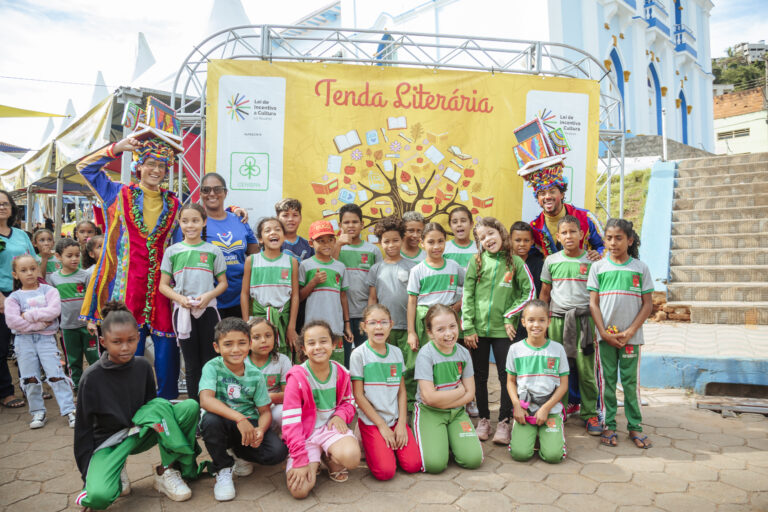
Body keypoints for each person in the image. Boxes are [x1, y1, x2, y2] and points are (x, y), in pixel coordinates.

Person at [78, 136, 183, 399]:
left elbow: (187, 237)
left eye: (161, 166)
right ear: (139, 166)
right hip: (124, 286)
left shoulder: (174, 204)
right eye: (150, 164)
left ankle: (167, 403)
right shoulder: (117, 193)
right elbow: (85, 168)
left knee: (166, 346)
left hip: (161, 286)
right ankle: (125, 403)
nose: (156, 170)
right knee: (125, 345)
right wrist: (118, 148)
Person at [74, 302, 200, 510]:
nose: (125, 347)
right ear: (103, 341)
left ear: (138, 338)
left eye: (131, 340)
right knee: (99, 497)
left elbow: (150, 408)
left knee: (189, 407)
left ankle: (166, 470)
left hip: (139, 431)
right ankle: (115, 470)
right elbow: (83, 431)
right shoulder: (91, 378)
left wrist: (158, 427)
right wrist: (87, 474)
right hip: (109, 443)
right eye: (117, 342)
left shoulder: (142, 366)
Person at [462, 217, 535, 445]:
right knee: (479, 376)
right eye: (482, 238)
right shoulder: (477, 262)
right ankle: (484, 419)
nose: (487, 239)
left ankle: (504, 422)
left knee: (506, 377)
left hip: (505, 332)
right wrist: (469, 327)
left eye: (490, 234)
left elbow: (529, 292)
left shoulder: (515, 262)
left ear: (500, 233)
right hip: (478, 332)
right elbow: (468, 295)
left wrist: (509, 316)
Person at [199, 317, 288, 501]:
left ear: (248, 345)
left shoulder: (255, 375)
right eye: (228, 344)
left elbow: (264, 412)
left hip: (249, 422)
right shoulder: (212, 367)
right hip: (224, 420)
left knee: (278, 452)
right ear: (217, 347)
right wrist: (239, 418)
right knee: (209, 420)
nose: (235, 349)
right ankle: (222, 469)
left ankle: (237, 452)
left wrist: (260, 431)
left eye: (241, 343)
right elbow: (205, 400)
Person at [588, 218, 653, 449]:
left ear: (630, 240)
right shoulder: (598, 268)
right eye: (609, 238)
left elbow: (647, 305)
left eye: (619, 238)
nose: (613, 243)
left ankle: (635, 426)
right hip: (605, 338)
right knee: (606, 382)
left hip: (630, 339)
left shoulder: (640, 268)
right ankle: (609, 425)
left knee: (630, 383)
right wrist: (603, 333)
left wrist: (630, 331)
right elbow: (593, 304)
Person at [283, 320, 360, 498]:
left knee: (352, 457)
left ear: (334, 344)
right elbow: (291, 423)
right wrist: (300, 459)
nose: (318, 347)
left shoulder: (341, 372)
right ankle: (313, 458)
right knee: (299, 491)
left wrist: (341, 415)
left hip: (330, 430)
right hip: (305, 435)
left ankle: (328, 457)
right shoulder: (297, 377)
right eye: (311, 343)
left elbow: (349, 402)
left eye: (323, 341)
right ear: (303, 348)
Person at [539, 215, 602, 436]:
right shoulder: (552, 261)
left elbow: (597, 296)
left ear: (582, 234)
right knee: (557, 368)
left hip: (585, 322)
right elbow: (545, 294)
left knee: (585, 370)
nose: (568, 236)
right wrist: (541, 321)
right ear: (557, 236)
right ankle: (559, 408)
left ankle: (590, 412)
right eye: (564, 232)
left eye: (572, 231)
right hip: (557, 321)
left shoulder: (592, 261)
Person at [159, 203, 228, 402]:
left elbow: (223, 283)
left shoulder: (213, 251)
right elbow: (163, 286)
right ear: (179, 223)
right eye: (186, 221)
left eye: (196, 220)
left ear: (204, 222)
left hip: (208, 312)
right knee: (191, 364)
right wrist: (181, 299)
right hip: (183, 313)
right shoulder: (172, 251)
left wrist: (207, 297)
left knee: (210, 361)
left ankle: (210, 407)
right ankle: (194, 409)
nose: (191, 225)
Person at [350, 304, 422, 480]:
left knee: (413, 465)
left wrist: (402, 424)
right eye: (373, 322)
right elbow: (358, 396)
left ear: (391, 324)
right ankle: (368, 441)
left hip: (395, 419)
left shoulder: (397, 353)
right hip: (373, 421)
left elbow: (402, 391)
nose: (379, 327)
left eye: (383, 322)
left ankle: (387, 447)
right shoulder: (359, 355)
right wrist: (382, 426)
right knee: (385, 472)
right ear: (364, 326)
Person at [176, 172, 259, 319]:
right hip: (206, 300)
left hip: (239, 298)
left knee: (236, 340)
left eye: (217, 189)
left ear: (225, 193)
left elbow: (255, 255)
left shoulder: (240, 220)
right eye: (206, 190)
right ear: (201, 193)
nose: (212, 194)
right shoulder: (193, 224)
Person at [5, 254, 75, 428]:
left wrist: (28, 316)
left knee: (56, 374)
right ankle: (37, 412)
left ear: (38, 269)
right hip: (23, 341)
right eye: (23, 270)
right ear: (15, 275)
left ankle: (69, 410)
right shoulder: (13, 298)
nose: (29, 273)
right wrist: (40, 324)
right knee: (30, 378)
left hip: (46, 341)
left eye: (33, 268)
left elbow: (53, 311)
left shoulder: (50, 291)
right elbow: (13, 321)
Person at [413, 304, 483, 474]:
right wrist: (459, 391)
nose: (449, 334)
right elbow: (429, 398)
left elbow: (471, 393)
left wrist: (445, 400)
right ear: (430, 333)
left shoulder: (463, 353)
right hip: (430, 411)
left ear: (459, 324)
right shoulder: (426, 354)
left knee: (473, 460)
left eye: (452, 326)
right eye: (440, 329)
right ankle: (441, 438)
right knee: (435, 465)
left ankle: (450, 438)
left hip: (457, 412)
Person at [506, 300, 569, 463]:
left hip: (550, 409)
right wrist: (517, 405)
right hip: (525, 411)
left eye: (542, 320)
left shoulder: (557, 349)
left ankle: (548, 437)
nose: (536, 325)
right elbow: (510, 382)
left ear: (549, 322)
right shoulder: (515, 350)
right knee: (520, 454)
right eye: (531, 320)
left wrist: (546, 408)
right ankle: (531, 435)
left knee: (553, 456)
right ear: (523, 322)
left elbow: (563, 385)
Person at [367, 216, 418, 407]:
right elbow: (372, 299)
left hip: (407, 327)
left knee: (409, 367)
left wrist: (413, 329)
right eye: (386, 241)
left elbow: (416, 299)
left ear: (402, 239)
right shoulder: (376, 269)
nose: (391, 245)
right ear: (379, 243)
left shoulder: (413, 267)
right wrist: (372, 325)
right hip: (383, 329)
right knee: (385, 366)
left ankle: (410, 404)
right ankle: (386, 403)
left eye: (395, 240)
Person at [241, 217, 298, 359]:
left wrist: (291, 327)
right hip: (257, 319)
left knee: (283, 358)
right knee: (258, 356)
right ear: (260, 239)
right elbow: (244, 294)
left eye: (278, 229)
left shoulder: (291, 262)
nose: (273, 233)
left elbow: (295, 296)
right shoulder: (251, 261)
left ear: (284, 237)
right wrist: (246, 324)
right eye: (268, 230)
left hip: (283, 320)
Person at [334, 203, 382, 365]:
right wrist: (338, 244)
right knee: (345, 360)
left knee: (366, 358)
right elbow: (329, 266)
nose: (350, 226)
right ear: (340, 225)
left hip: (365, 314)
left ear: (362, 224)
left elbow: (378, 283)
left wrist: (372, 312)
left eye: (355, 222)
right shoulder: (335, 248)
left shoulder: (372, 250)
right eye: (346, 223)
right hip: (340, 315)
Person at [47, 238, 98, 390]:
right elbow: (52, 303)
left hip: (87, 326)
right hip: (67, 328)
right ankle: (77, 387)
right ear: (58, 256)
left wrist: (91, 320)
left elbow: (92, 300)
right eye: (69, 255)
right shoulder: (54, 278)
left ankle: (99, 385)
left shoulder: (85, 276)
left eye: (77, 255)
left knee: (94, 358)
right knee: (73, 360)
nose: (74, 259)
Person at [299, 220, 352, 364]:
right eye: (320, 241)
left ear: (335, 241)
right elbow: (298, 298)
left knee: (337, 366)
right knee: (314, 364)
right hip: (312, 328)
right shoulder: (306, 265)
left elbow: (343, 296)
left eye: (330, 240)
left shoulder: (340, 267)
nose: (326, 244)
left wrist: (347, 325)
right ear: (311, 243)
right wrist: (313, 282)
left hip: (336, 327)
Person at [407, 223, 464, 356]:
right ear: (422, 243)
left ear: (446, 242)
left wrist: (460, 304)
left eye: (440, 241)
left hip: (448, 320)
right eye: (431, 242)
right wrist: (411, 332)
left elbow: (468, 287)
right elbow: (411, 302)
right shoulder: (417, 270)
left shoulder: (454, 266)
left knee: (447, 355)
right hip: (426, 322)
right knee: (428, 356)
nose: (436, 246)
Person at [0, 189, 34, 408]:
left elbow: (33, 261)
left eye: (5, 203)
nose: (2, 207)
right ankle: (6, 392)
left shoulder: (20, 234)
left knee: (28, 342)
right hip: (2, 296)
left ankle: (30, 386)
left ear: (12, 208)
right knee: (2, 347)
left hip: (24, 294)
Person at [526, 171, 604, 261]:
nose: (547, 197)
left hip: (582, 273)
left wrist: (598, 254)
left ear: (562, 194)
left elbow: (605, 246)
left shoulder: (586, 218)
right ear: (537, 198)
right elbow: (532, 258)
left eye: (552, 191)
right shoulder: (534, 227)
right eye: (542, 193)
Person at [248, 317, 292, 431]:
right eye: (256, 337)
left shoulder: (282, 360)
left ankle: (286, 441)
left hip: (272, 408)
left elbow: (289, 395)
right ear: (246, 340)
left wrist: (268, 398)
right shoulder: (241, 362)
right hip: (247, 408)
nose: (263, 340)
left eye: (268, 336)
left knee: (284, 413)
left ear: (275, 337)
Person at [509, 221, 544, 345]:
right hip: (508, 320)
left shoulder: (539, 264)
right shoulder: (504, 263)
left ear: (532, 242)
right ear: (510, 240)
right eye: (517, 240)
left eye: (526, 240)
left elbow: (541, 293)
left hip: (530, 320)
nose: (522, 244)